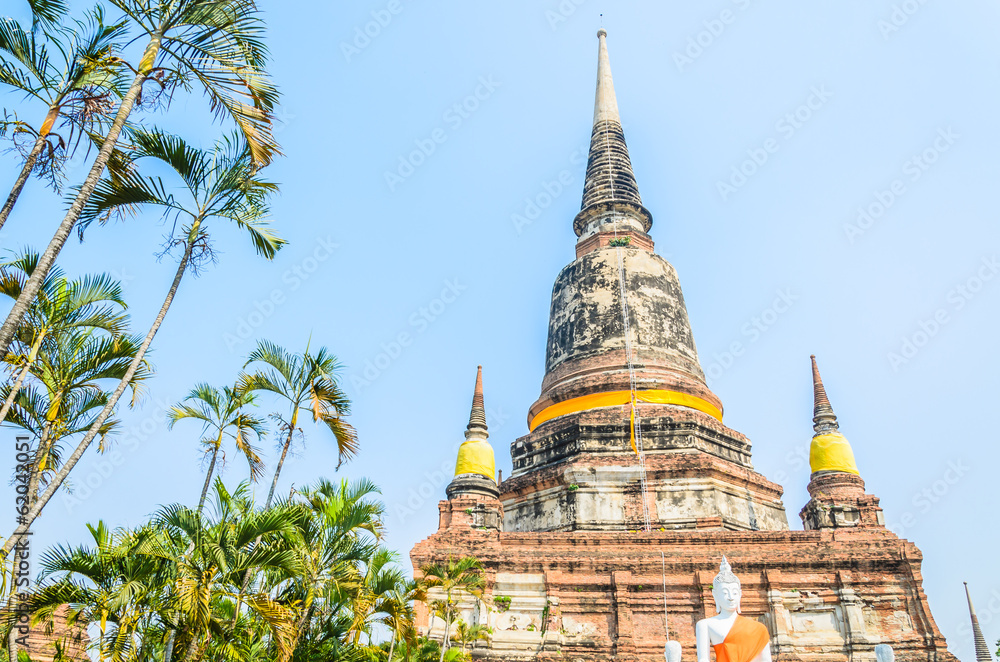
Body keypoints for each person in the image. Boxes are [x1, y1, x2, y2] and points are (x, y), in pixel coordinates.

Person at [695, 557, 772, 662]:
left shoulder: (759, 628)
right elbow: (703, 659)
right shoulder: (705, 624)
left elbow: (766, 660)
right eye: (725, 593)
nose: (731, 597)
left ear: (740, 594)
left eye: (735, 593)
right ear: (715, 595)